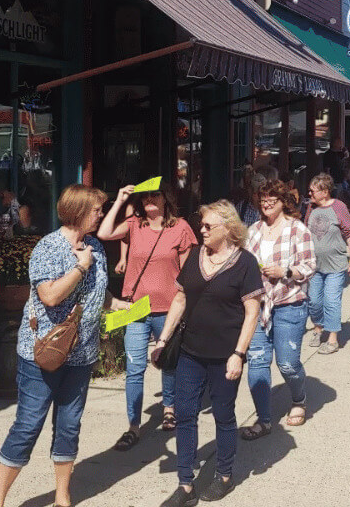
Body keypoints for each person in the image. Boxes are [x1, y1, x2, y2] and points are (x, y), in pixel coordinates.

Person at [0, 185, 131, 507]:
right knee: (28, 425)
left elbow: (97, 293)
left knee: (68, 426)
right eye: (97, 209)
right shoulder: (48, 247)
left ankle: (63, 497)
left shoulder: (93, 245)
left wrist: (119, 305)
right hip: (44, 354)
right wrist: (80, 267)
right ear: (80, 211)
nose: (101, 214)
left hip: (81, 355)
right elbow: (50, 296)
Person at [154, 201, 263, 505]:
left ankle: (224, 476)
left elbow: (252, 312)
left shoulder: (245, 263)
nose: (201, 230)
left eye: (207, 226)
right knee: (185, 415)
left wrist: (238, 354)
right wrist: (163, 340)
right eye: (200, 224)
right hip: (190, 351)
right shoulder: (195, 257)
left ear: (228, 228)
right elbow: (179, 298)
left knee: (224, 416)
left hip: (225, 354)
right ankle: (185, 484)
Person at [97, 181, 198, 450]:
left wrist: (187, 305)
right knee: (134, 368)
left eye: (155, 196)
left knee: (168, 362)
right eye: (146, 197)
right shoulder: (134, 225)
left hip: (168, 308)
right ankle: (133, 425)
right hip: (136, 308)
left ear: (166, 199)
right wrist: (119, 200)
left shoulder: (181, 228)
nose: (149, 200)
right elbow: (104, 233)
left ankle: (169, 407)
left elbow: (188, 273)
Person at [242, 180, 316, 439]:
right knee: (258, 362)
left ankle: (299, 399)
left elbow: (309, 266)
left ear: (284, 201)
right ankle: (263, 420)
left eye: (273, 198)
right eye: (263, 199)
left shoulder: (298, 230)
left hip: (290, 304)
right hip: (258, 306)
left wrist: (285, 271)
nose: (267, 203)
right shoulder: (253, 230)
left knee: (287, 362)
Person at [305, 173, 350, 355]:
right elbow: (304, 232)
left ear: (325, 192)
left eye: (313, 191)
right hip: (314, 266)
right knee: (313, 301)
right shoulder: (311, 208)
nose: (310, 193)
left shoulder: (339, 207)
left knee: (331, 301)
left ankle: (332, 339)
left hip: (335, 265)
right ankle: (318, 327)